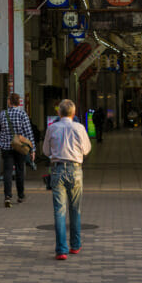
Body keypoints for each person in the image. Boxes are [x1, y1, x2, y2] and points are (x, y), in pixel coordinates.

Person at [42, 99, 92, 260]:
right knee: (75, 209)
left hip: (57, 169)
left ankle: (61, 249)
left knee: (59, 210)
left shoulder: (52, 128)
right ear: (74, 113)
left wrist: (55, 154)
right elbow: (86, 150)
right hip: (75, 169)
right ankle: (75, 245)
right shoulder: (79, 128)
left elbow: (45, 150)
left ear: (59, 112)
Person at [0, 93, 35, 208]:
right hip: (20, 147)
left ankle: (7, 196)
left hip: (6, 147)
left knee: (7, 171)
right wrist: (33, 150)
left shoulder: (2, 114)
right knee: (20, 171)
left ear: (9, 102)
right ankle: (21, 196)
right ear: (18, 102)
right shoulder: (22, 114)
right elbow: (28, 133)